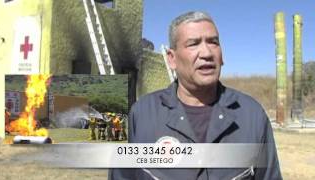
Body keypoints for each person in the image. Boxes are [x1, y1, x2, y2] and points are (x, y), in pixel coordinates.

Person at [109, 11, 282, 180]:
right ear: (172, 59)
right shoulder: (141, 114)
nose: (207, 53)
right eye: (193, 43)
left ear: (222, 56)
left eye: (213, 42)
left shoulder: (251, 115)